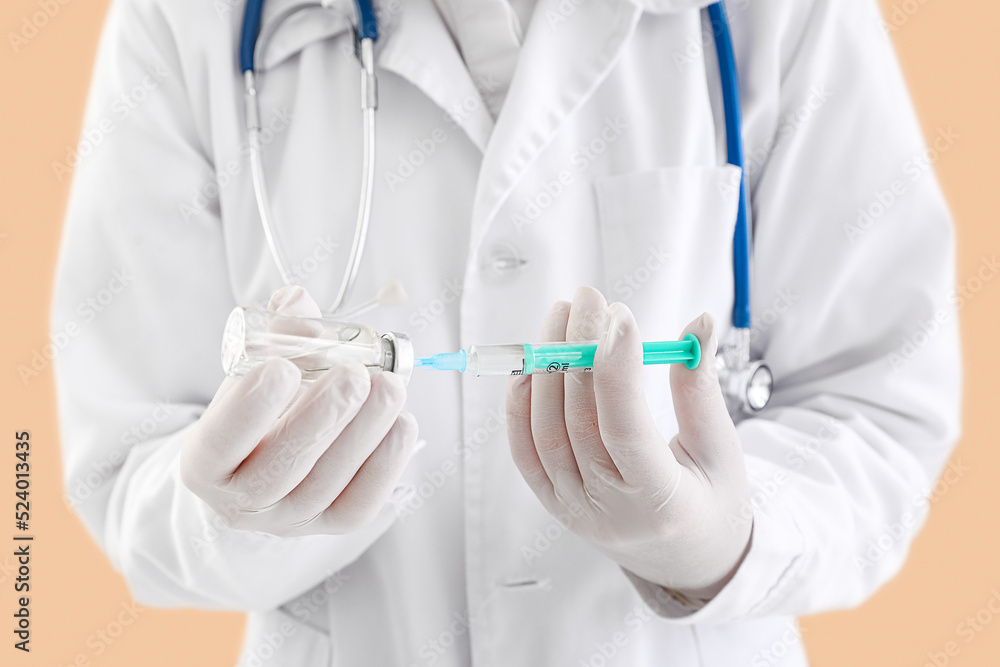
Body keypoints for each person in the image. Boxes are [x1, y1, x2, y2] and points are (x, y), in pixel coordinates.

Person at [52, 0, 961, 664]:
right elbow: (128, 465)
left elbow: (880, 405)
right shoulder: (190, 21)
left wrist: (718, 541)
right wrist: (237, 516)